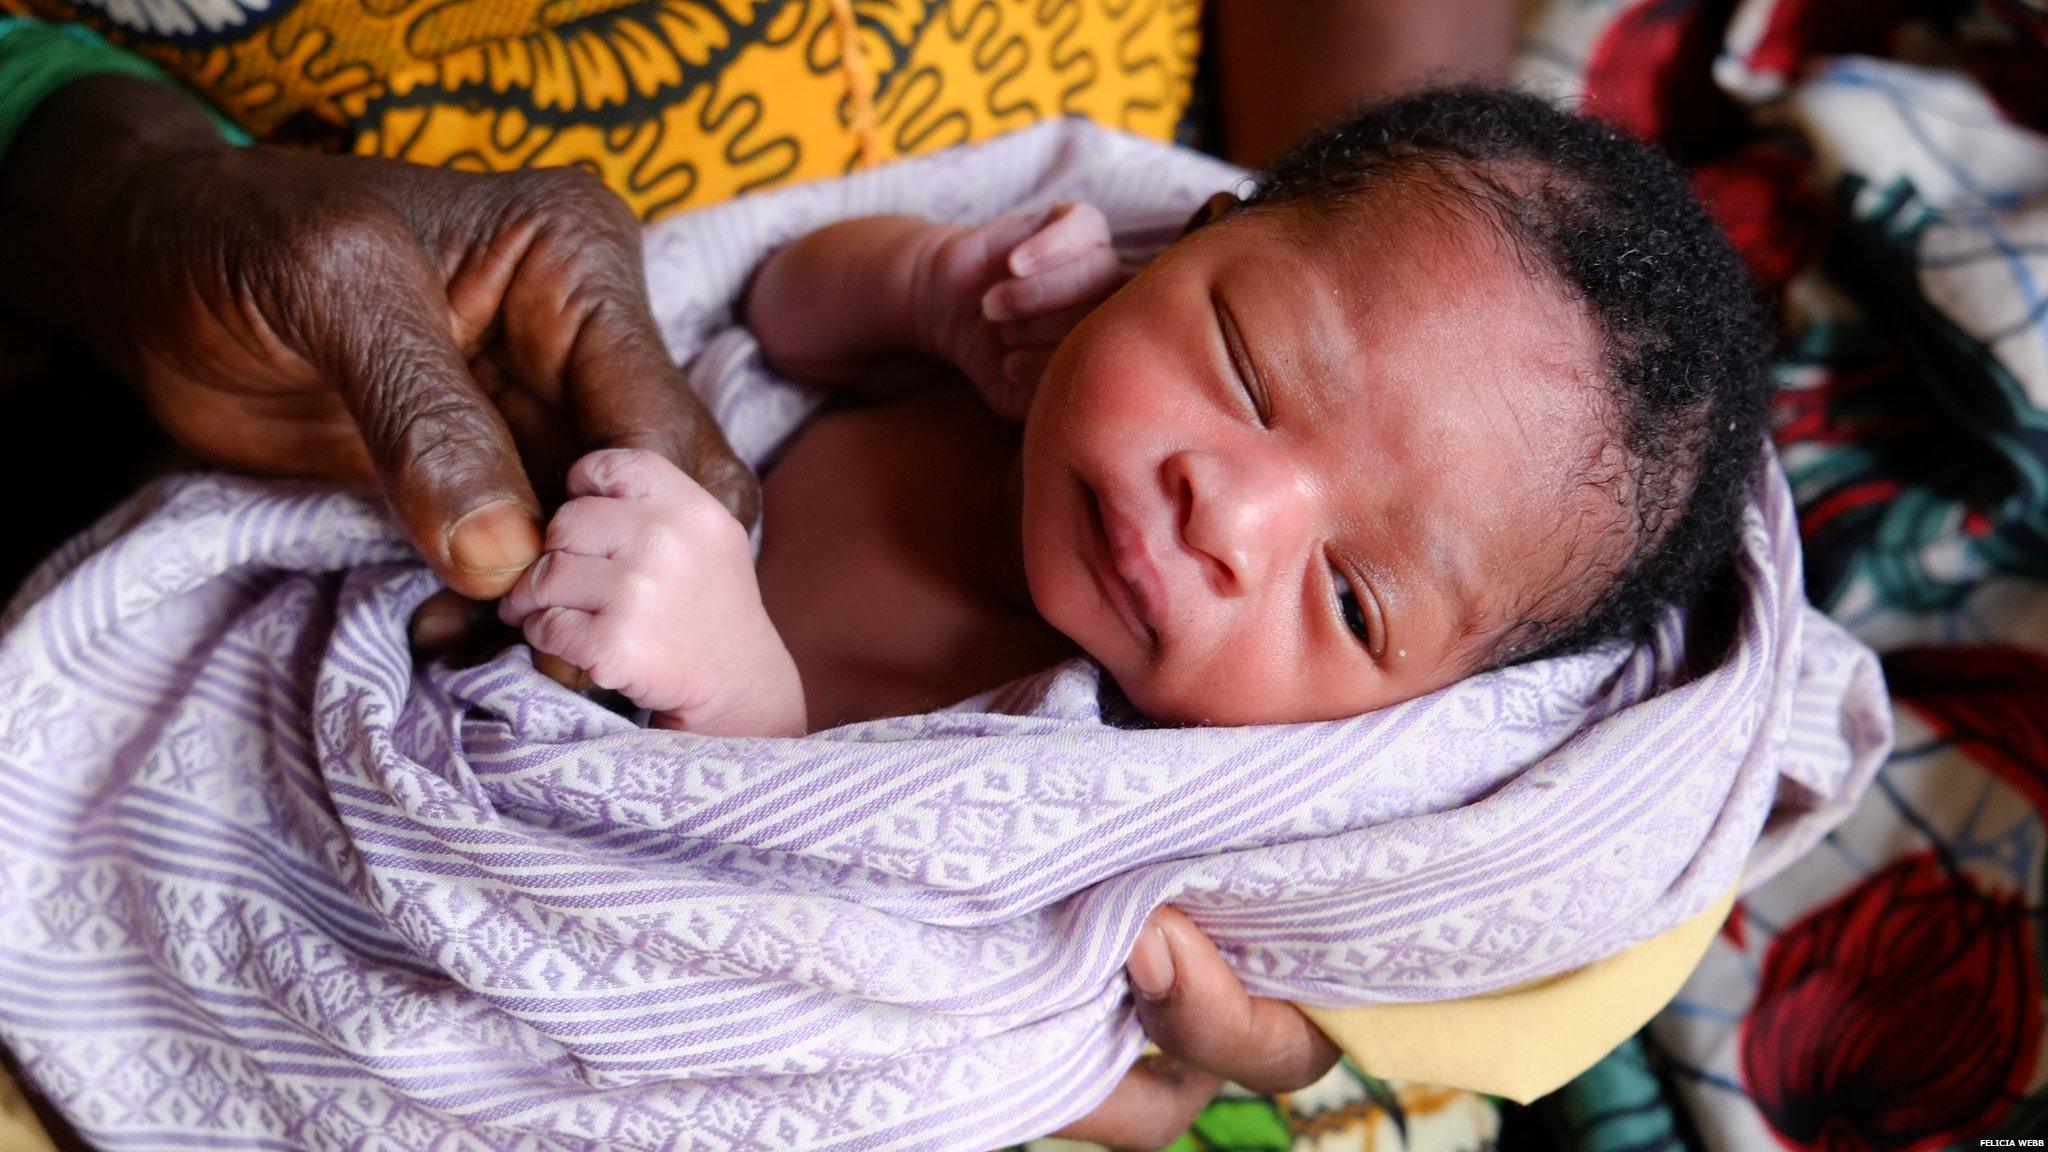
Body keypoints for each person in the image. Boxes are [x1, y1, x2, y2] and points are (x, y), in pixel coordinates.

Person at [496, 89, 1770, 744]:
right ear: (1187, 242)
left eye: (1349, 603)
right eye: (1250, 370)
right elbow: (776, 307)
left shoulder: (1082, 759)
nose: (1232, 515)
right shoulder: (989, 387)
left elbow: (844, 897)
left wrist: (733, 693)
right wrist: (932, 293)